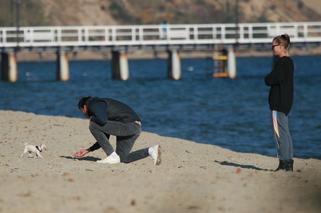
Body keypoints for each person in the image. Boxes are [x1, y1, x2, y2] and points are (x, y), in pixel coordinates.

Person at [73, 96, 161, 165]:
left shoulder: (93, 104)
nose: (84, 114)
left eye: (83, 111)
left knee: (92, 124)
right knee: (122, 158)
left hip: (129, 125)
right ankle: (151, 150)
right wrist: (88, 150)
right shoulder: (101, 107)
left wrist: (92, 118)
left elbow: (102, 121)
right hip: (134, 128)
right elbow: (104, 137)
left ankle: (111, 155)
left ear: (84, 106)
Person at [264, 34, 294, 171]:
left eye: (274, 46)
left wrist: (268, 77)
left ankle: (284, 163)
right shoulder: (288, 62)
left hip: (278, 103)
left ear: (281, 47)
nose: (272, 48)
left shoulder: (282, 63)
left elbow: (270, 79)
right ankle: (288, 162)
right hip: (285, 102)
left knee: (279, 134)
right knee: (285, 132)